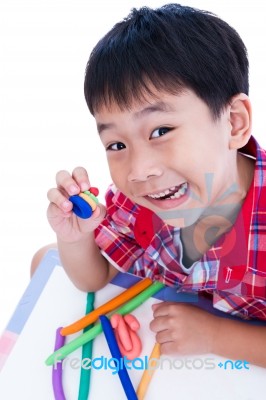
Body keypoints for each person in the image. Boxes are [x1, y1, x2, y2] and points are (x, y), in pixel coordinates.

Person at [36, 4, 266, 367]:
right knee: (43, 260)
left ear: (234, 123)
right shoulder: (142, 201)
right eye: (117, 145)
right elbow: (96, 278)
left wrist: (216, 336)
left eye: (161, 131)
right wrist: (75, 237)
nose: (139, 170)